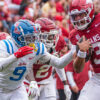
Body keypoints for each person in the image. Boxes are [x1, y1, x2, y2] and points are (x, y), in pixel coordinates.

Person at [0, 18, 87, 100]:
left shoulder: (37, 48)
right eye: (27, 38)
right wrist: (16, 56)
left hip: (17, 88)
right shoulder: (6, 45)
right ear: (17, 38)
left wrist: (73, 51)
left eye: (33, 37)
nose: (31, 41)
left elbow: (59, 63)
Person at [24, 18, 69, 100]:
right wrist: (32, 82)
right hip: (28, 82)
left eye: (52, 35)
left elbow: (58, 63)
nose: (51, 38)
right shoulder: (30, 43)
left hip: (47, 81)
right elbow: (26, 65)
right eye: (48, 35)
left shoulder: (57, 41)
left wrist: (65, 83)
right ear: (38, 35)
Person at [69, 0, 100, 99]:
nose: (78, 19)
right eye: (75, 16)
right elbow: (78, 69)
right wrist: (81, 53)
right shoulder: (75, 35)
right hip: (98, 78)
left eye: (81, 15)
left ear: (90, 11)